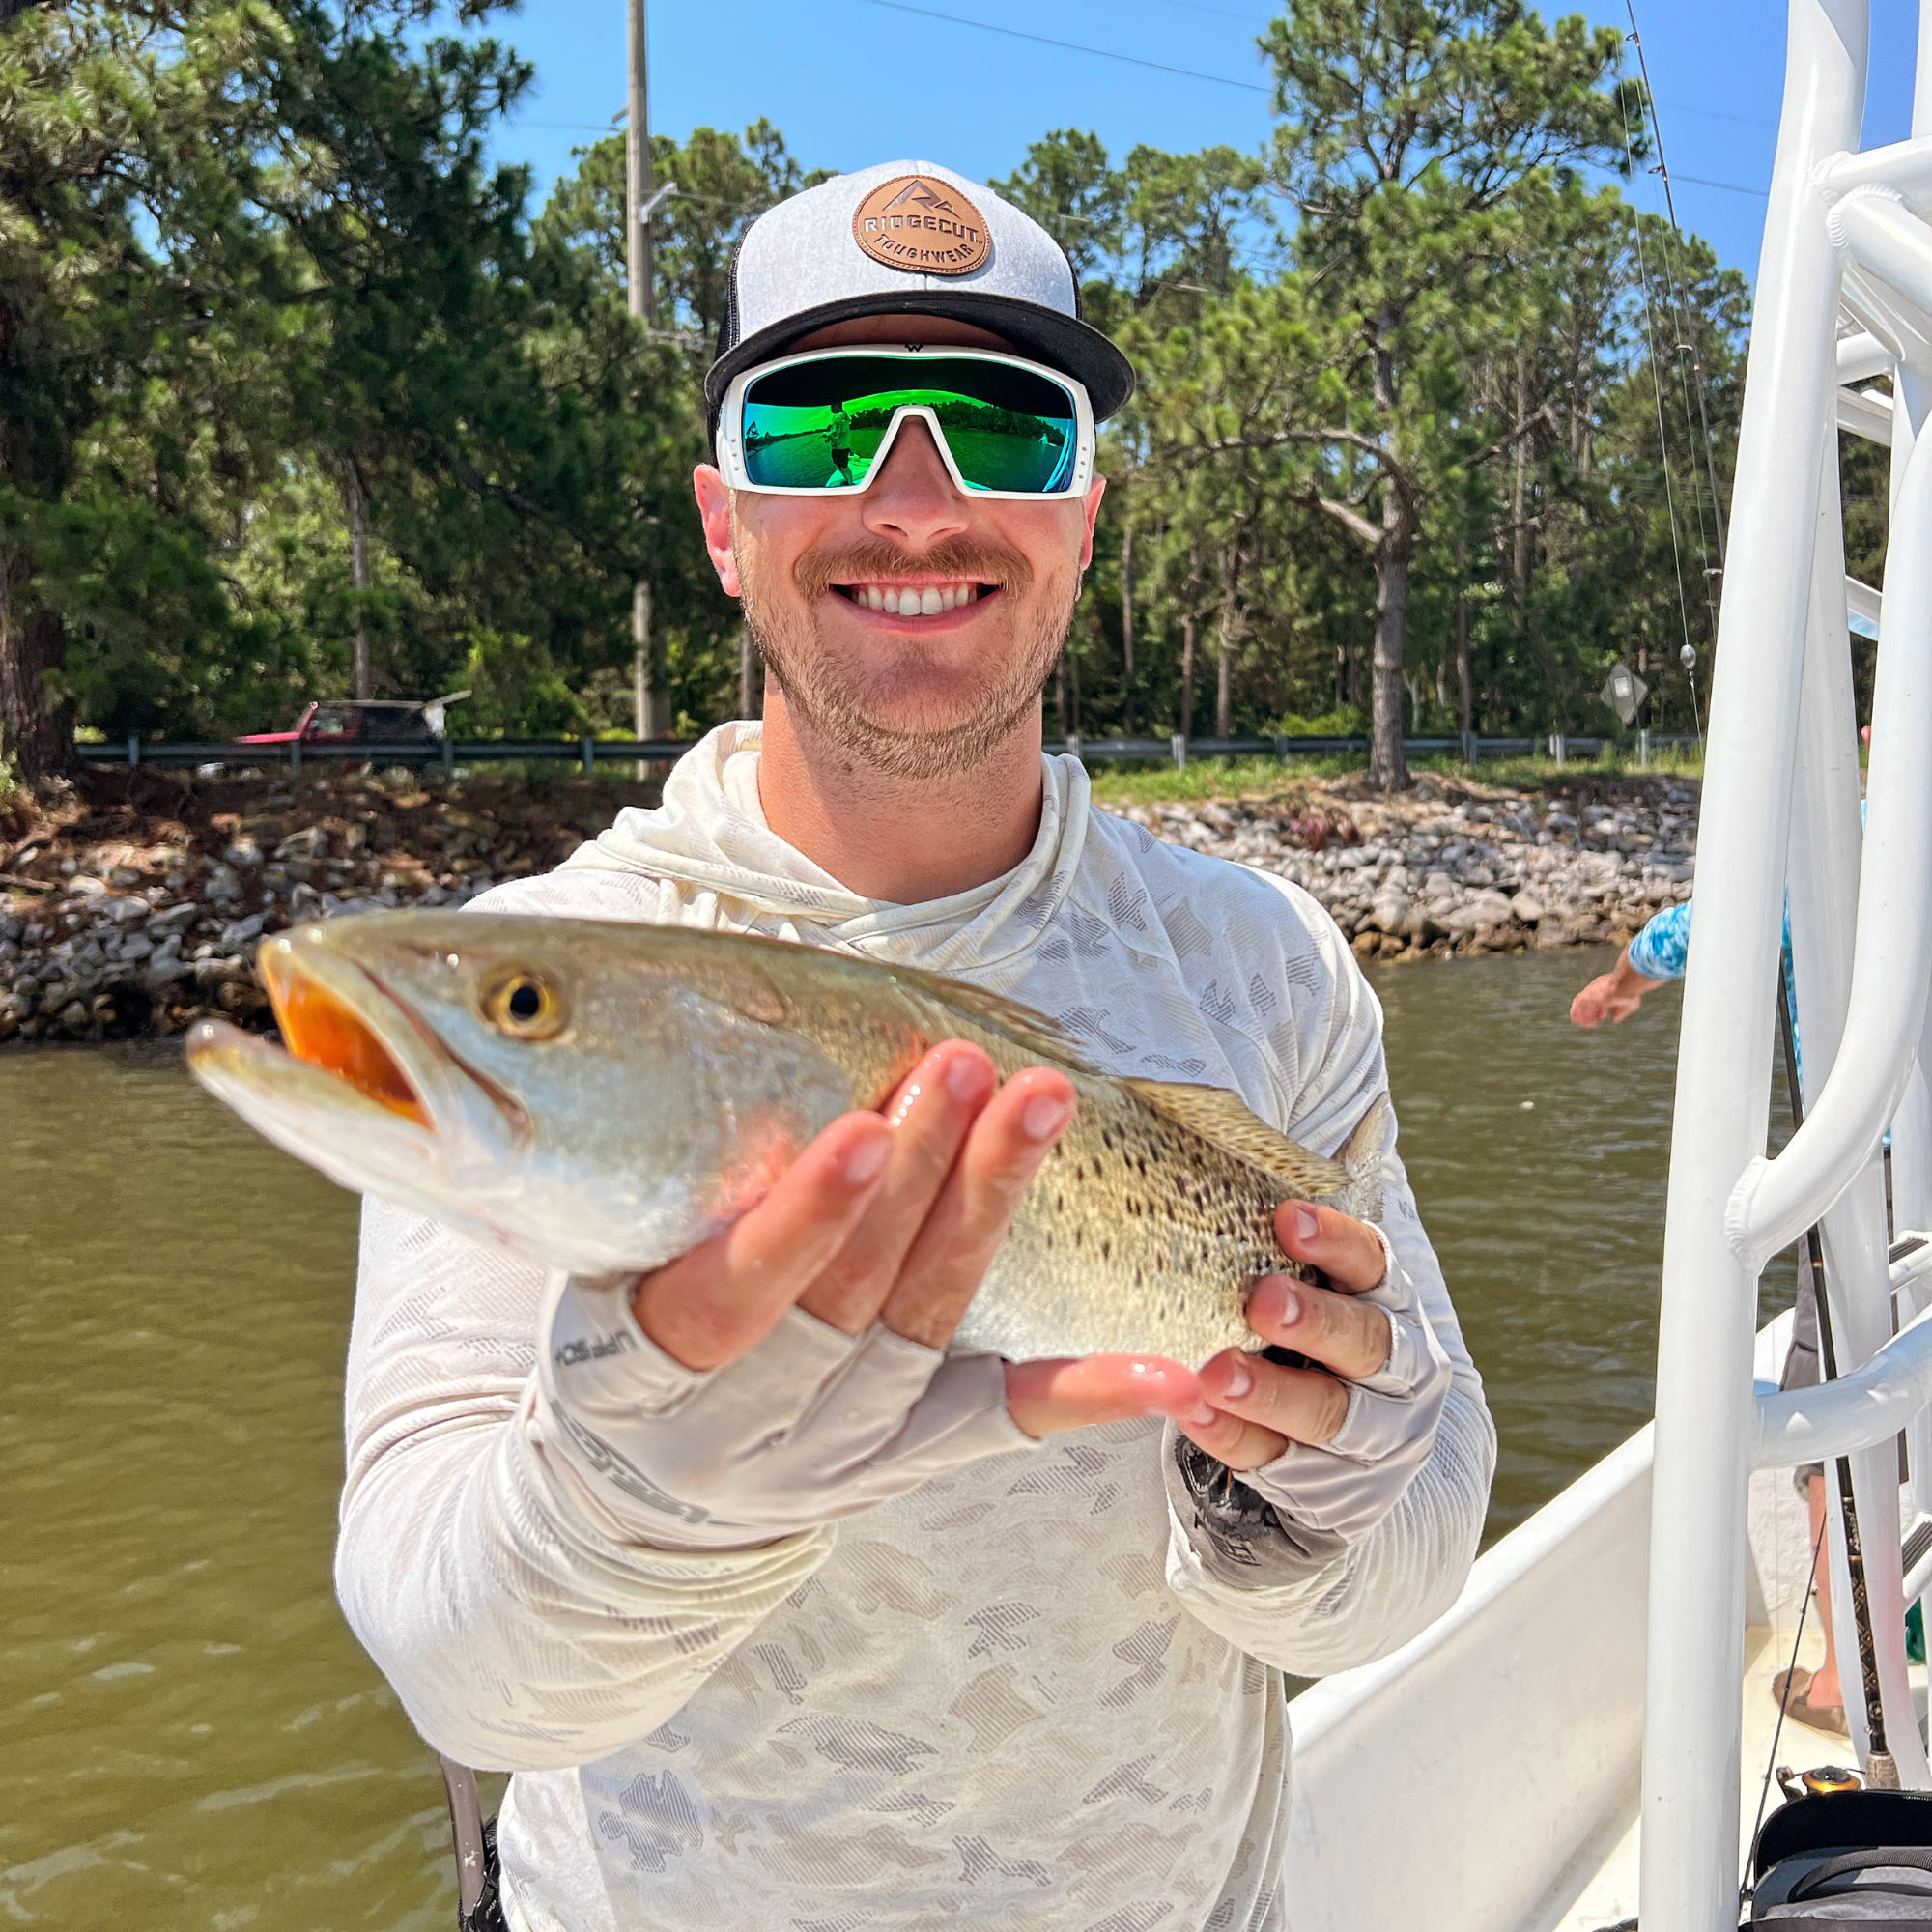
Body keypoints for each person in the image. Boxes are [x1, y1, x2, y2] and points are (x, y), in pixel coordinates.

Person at [337, 159, 1494, 1931]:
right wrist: (645, 1485)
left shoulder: (1268, 975)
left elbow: (1403, 1581)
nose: (913, 498)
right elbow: (464, 1678)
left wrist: (1309, 1482)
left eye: (1004, 430)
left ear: (1084, 519)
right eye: (818, 424)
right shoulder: (536, 987)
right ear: (725, 522)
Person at [1573, 898, 1848, 1735]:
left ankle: (1841, 1682)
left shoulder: (1836, 851)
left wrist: (1621, 985)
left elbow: (1696, 925)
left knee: (1831, 1436)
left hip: (1863, 1179)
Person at [824, 401, 856, 485]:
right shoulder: (845, 415)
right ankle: (848, 481)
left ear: (838, 405)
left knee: (843, 466)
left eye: (833, 405)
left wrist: (827, 434)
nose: (830, 407)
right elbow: (838, 432)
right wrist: (829, 436)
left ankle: (850, 483)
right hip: (841, 447)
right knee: (840, 464)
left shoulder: (838, 417)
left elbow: (836, 432)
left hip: (840, 448)